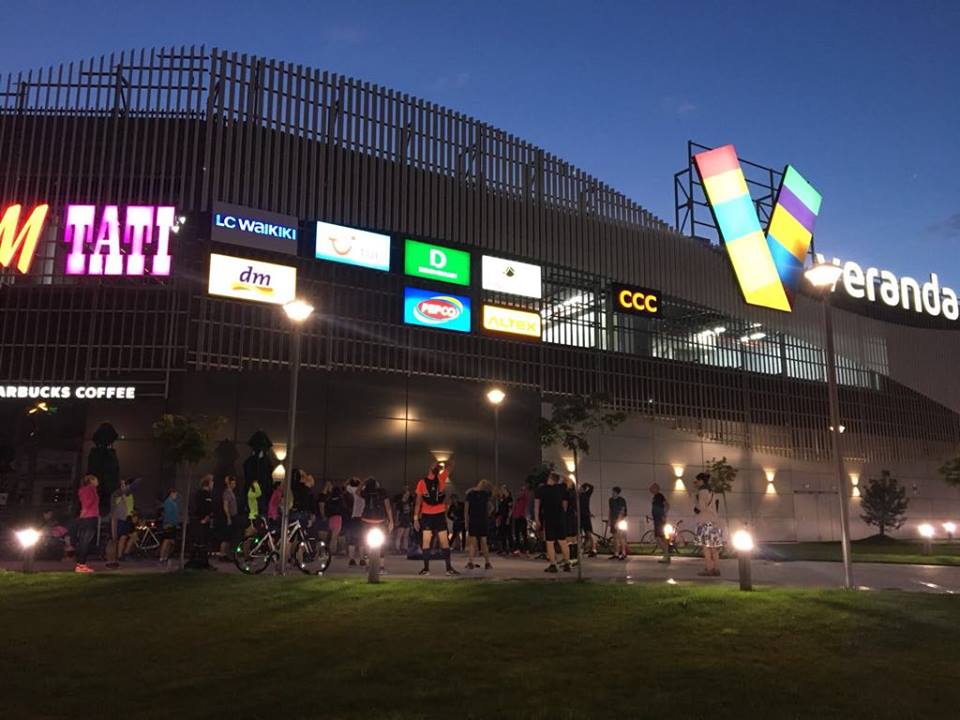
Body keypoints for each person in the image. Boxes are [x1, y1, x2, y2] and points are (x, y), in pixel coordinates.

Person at [414, 460, 459, 575]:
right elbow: (451, 465)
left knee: (426, 542)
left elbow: (418, 502)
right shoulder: (441, 478)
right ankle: (448, 569)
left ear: (430, 468)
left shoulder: (422, 482)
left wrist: (415, 518)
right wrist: (443, 461)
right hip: (439, 514)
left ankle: (426, 569)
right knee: (444, 542)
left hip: (427, 515)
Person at [535, 472, 570, 573]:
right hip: (560, 518)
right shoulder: (561, 488)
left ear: (549, 478)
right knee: (563, 541)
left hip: (549, 518)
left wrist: (537, 519)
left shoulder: (542, 489)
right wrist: (559, 473)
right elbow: (565, 506)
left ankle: (553, 564)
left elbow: (537, 506)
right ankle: (567, 563)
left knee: (550, 542)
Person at [360, 477, 394, 573]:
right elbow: (388, 507)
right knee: (381, 544)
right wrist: (391, 521)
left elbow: (357, 492)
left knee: (367, 543)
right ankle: (381, 567)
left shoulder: (366, 492)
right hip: (380, 521)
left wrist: (363, 482)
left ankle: (368, 566)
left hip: (366, 520)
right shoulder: (382, 492)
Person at [107, 476, 141, 567]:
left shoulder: (128, 494)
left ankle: (124, 554)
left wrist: (134, 513)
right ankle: (119, 556)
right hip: (122, 518)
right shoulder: (120, 494)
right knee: (122, 537)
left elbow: (130, 505)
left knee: (131, 536)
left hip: (128, 517)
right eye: (122, 484)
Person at [694, 472, 723, 576]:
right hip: (715, 521)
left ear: (701, 481)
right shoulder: (711, 491)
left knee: (706, 547)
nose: (696, 483)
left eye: (697, 481)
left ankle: (709, 569)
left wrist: (696, 507)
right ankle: (717, 569)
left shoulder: (702, 491)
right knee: (714, 547)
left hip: (705, 522)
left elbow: (701, 507)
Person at [187, 474, 215, 569]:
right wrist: (205, 517)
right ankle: (201, 562)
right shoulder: (204, 494)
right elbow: (204, 507)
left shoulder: (199, 493)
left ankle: (198, 561)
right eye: (212, 482)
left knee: (200, 542)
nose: (213, 484)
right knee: (202, 542)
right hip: (201, 521)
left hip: (199, 520)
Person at [464, 479, 493, 570]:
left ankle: (470, 562)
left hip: (473, 520)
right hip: (483, 520)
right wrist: (487, 514)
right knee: (483, 542)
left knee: (473, 542)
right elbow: (491, 507)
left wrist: (466, 521)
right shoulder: (485, 494)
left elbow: (466, 510)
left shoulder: (470, 494)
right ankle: (487, 563)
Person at [74, 474, 100, 573]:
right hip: (89, 518)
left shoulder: (89, 489)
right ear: (91, 480)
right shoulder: (90, 489)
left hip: (88, 518)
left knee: (83, 541)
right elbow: (87, 503)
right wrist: (82, 516)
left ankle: (80, 564)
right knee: (85, 542)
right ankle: (81, 565)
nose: (97, 481)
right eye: (96, 479)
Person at [219, 475, 241, 560]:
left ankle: (227, 554)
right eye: (232, 483)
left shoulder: (232, 492)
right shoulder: (227, 493)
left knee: (231, 536)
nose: (234, 485)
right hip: (230, 516)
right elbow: (225, 505)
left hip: (234, 515)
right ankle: (222, 554)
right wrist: (228, 517)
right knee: (226, 537)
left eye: (234, 483)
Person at [345, 477, 366, 566]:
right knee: (362, 540)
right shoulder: (365, 491)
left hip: (354, 518)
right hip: (363, 519)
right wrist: (360, 480)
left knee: (352, 540)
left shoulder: (353, 490)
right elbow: (363, 484)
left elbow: (345, 485)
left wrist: (350, 479)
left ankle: (351, 559)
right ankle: (362, 559)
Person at [159, 488, 180, 566]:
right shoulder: (168, 502)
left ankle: (165, 556)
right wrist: (167, 523)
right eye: (175, 494)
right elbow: (167, 514)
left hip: (173, 524)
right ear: (171, 494)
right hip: (169, 524)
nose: (176, 496)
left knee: (170, 541)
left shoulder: (173, 503)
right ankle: (162, 557)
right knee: (166, 540)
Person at [650, 482, 671, 564]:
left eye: (652, 487)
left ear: (656, 488)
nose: (650, 489)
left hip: (659, 520)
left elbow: (667, 505)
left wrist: (663, 515)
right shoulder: (656, 497)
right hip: (657, 519)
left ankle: (666, 555)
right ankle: (666, 555)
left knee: (658, 537)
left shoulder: (659, 496)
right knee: (661, 537)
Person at [324, 479, 346, 554]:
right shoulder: (340, 500)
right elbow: (343, 509)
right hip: (338, 518)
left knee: (331, 536)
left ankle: (330, 551)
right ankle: (332, 551)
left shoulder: (329, 500)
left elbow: (327, 509)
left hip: (331, 518)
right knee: (334, 537)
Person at [392, 484, 414, 554]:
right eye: (406, 495)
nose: (407, 496)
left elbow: (410, 512)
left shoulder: (408, 503)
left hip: (407, 519)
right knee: (399, 535)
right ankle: (397, 548)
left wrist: (411, 521)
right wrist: (396, 520)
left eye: (408, 495)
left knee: (406, 535)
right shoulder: (400, 503)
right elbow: (397, 512)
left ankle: (405, 548)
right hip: (401, 519)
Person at [608, 487, 628, 560]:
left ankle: (623, 553)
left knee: (621, 537)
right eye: (612, 492)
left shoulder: (621, 500)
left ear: (617, 493)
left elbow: (622, 511)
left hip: (621, 520)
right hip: (613, 519)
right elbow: (610, 510)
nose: (612, 493)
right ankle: (616, 553)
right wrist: (609, 520)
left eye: (614, 492)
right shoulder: (610, 500)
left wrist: (617, 522)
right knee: (614, 537)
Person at [579, 482, 597, 557]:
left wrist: (586, 484)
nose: (579, 489)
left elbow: (592, 487)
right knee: (580, 534)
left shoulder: (586, 494)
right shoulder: (577, 496)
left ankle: (593, 549)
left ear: (583, 489)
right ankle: (582, 549)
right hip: (580, 517)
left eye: (581, 488)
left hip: (585, 516)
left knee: (588, 533)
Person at [511, 484, 529, 555]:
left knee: (524, 534)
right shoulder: (518, 500)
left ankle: (526, 549)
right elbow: (515, 508)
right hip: (516, 517)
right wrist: (513, 515)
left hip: (522, 517)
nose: (521, 492)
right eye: (521, 490)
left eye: (523, 490)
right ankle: (518, 548)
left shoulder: (524, 498)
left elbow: (526, 497)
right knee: (517, 534)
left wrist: (524, 490)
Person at [495, 485, 513, 555]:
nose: (502, 491)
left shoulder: (509, 499)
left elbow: (510, 509)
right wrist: (496, 516)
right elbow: (500, 510)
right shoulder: (502, 499)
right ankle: (504, 549)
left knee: (508, 533)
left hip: (507, 517)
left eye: (503, 490)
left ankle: (511, 549)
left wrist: (508, 518)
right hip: (502, 518)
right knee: (502, 533)